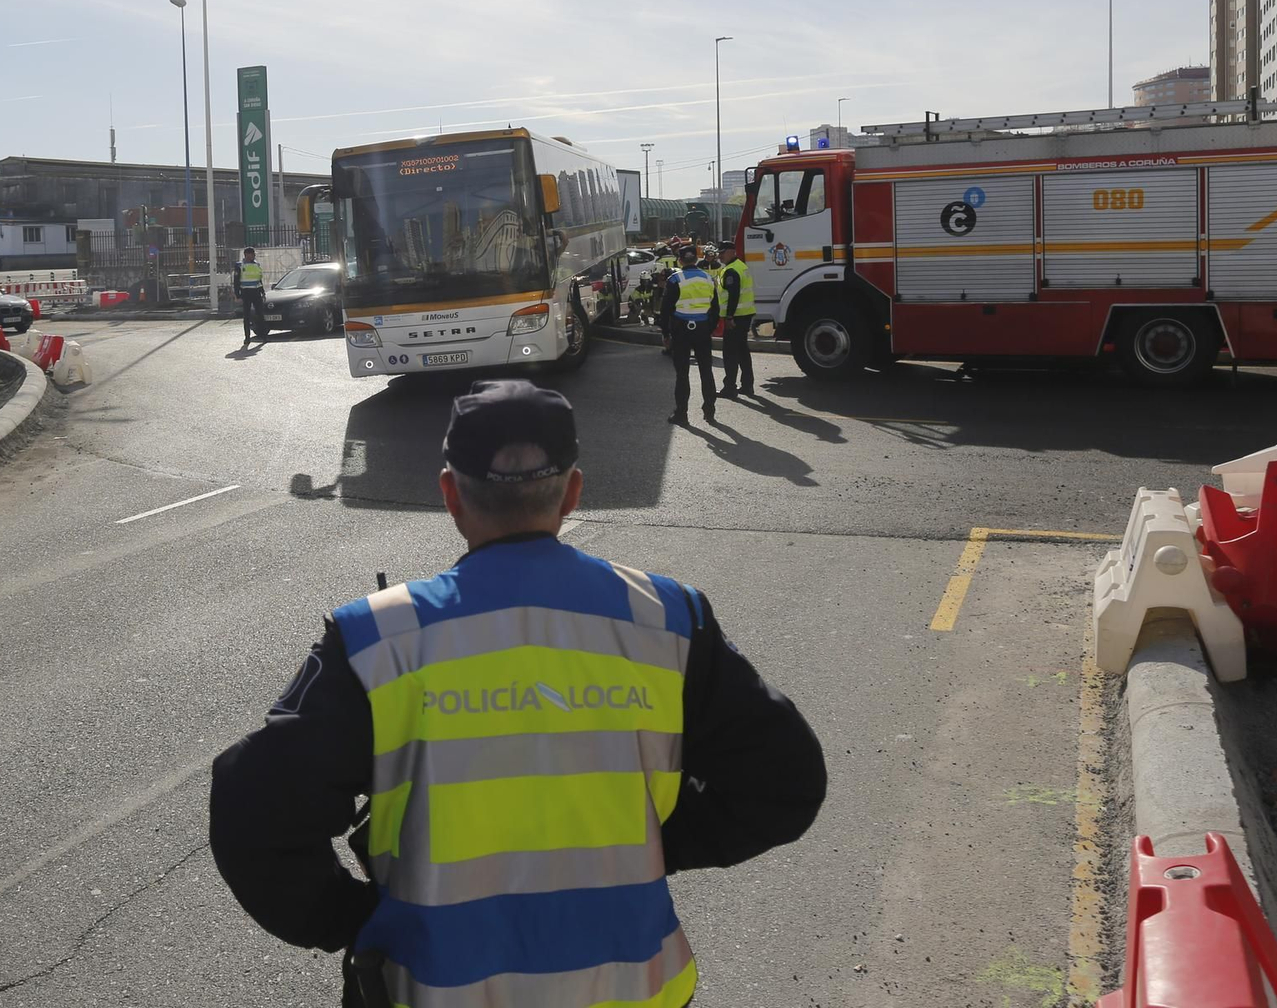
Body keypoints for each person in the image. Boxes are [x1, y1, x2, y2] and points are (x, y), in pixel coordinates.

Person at [209, 380, 826, 1008]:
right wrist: (653, 846)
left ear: (449, 494)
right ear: (574, 493)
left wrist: (354, 920)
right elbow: (786, 783)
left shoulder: (379, 640)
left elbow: (253, 812)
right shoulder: (669, 619)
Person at [659, 242, 719, 424]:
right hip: (702, 330)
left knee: (682, 374)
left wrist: (666, 334)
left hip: (681, 330)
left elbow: (665, 310)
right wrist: (708, 328)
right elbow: (715, 309)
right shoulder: (708, 279)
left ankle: (681, 414)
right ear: (696, 259)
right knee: (706, 372)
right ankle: (709, 411)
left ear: (679, 260)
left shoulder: (675, 280)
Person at [716, 240, 757, 399]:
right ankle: (747, 385)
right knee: (742, 351)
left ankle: (730, 387)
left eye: (722, 252)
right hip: (744, 314)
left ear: (732, 251)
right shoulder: (739, 266)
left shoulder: (732, 270)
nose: (720, 256)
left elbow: (734, 295)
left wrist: (729, 316)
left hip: (736, 317)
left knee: (730, 353)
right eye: (719, 253)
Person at [237, 247, 269, 344]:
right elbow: (236, 281)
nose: (254, 255)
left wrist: (262, 292)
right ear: (246, 255)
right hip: (246, 293)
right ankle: (247, 338)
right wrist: (237, 295)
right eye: (252, 254)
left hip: (256, 293)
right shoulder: (240, 265)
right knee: (246, 316)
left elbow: (259, 280)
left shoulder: (257, 265)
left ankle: (264, 337)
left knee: (260, 315)